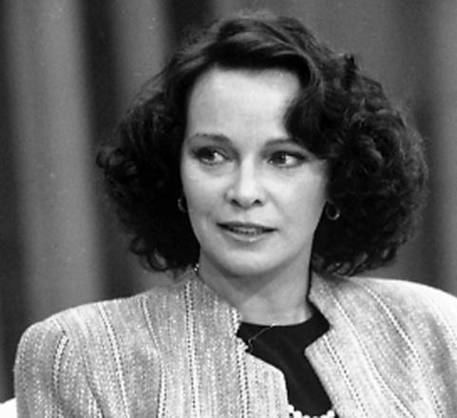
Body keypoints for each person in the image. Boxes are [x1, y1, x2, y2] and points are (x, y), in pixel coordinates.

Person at [13, 10, 457, 417]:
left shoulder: (433, 330)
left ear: (336, 179)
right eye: (212, 155)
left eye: (282, 158)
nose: (244, 192)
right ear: (174, 172)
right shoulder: (84, 353)